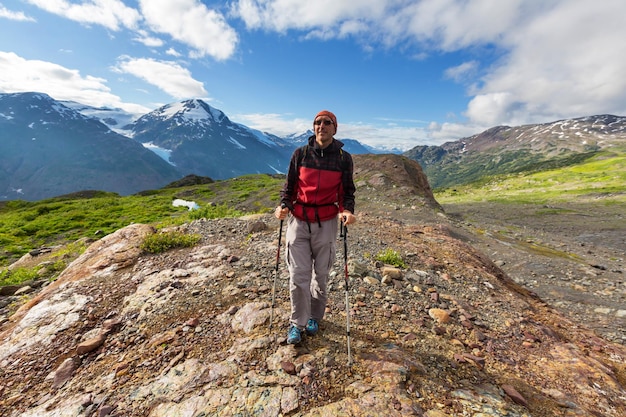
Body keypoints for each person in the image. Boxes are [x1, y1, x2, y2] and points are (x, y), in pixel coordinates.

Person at [274, 110, 356, 345]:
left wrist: (347, 210)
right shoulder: (300, 154)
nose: (322, 126)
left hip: (327, 222)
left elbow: (348, 191)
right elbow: (289, 187)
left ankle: (314, 317)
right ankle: (297, 323)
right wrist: (283, 206)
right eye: (317, 123)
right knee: (298, 276)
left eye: (327, 123)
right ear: (313, 127)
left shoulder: (343, 158)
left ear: (335, 128)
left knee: (320, 275)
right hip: (299, 220)